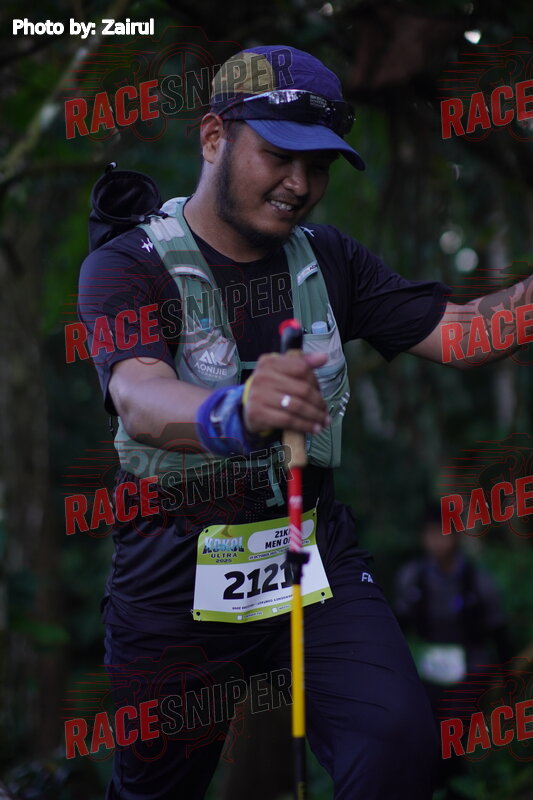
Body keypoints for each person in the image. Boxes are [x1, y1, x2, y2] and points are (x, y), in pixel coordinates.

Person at [77, 45, 531, 800]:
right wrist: (234, 410)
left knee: (397, 745)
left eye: (317, 167)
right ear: (214, 138)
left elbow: (460, 335)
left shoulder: (329, 258)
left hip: (309, 552)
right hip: (172, 571)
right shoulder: (130, 264)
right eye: (280, 156)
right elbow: (139, 398)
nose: (300, 184)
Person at [395, 504, 511, 798]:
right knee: (418, 724)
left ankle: (454, 787)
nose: (438, 541)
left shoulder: (478, 581)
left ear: (457, 536)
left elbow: (499, 633)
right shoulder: (412, 578)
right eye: (431, 533)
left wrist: (507, 679)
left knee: (453, 726)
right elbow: (398, 627)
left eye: (443, 533)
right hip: (430, 667)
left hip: (472, 667)